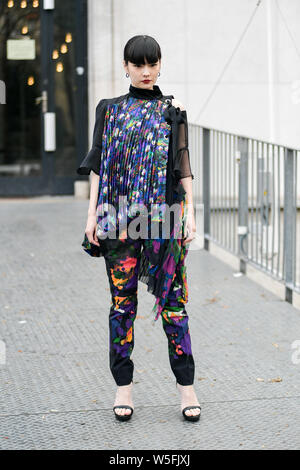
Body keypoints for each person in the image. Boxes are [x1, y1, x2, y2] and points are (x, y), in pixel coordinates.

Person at [77, 35, 201, 422]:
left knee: (174, 306)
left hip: (163, 219)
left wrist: (191, 213)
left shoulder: (172, 110)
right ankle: (123, 388)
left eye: (152, 63)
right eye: (138, 64)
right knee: (122, 306)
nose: (146, 71)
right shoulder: (109, 110)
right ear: (126, 67)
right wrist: (91, 214)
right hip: (118, 219)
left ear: (160, 64)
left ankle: (187, 390)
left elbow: (182, 165)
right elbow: (100, 164)